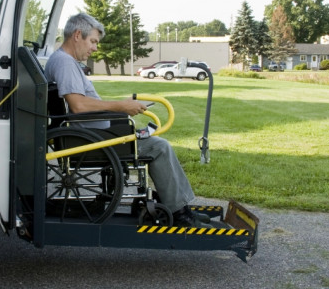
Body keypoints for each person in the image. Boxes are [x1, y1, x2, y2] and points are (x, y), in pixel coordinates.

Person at [44, 12, 211, 228]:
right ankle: (179, 212)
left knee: (152, 140)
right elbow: (79, 106)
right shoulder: (65, 63)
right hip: (91, 141)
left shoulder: (62, 61)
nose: (95, 48)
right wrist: (121, 106)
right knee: (159, 147)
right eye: (93, 41)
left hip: (93, 134)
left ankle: (179, 206)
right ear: (78, 35)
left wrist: (120, 109)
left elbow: (81, 104)